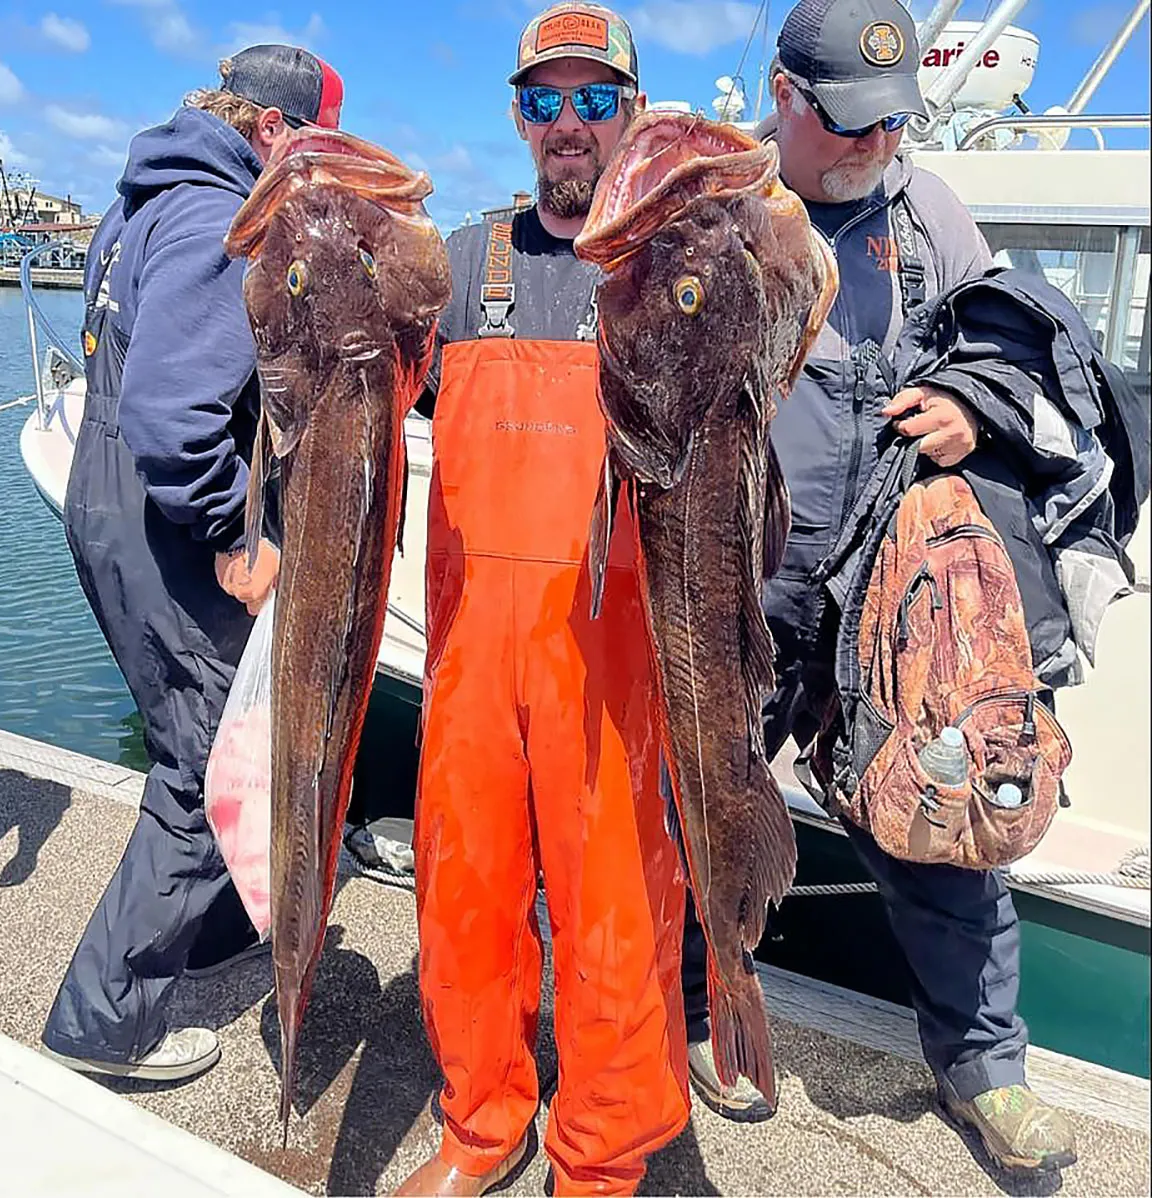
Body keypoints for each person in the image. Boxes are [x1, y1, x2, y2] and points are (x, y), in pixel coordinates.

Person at [680, 0, 1079, 1174]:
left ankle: (985, 1072)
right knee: (704, 805)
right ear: (788, 100)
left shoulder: (930, 213)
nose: (873, 145)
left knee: (944, 832)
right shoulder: (726, 210)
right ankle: (708, 1007)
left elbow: (1007, 343)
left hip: (881, 593)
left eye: (893, 124)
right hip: (739, 583)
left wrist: (972, 404)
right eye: (850, 122)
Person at [396, 6, 691, 1195]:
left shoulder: (675, 263)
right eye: (544, 102)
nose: (568, 126)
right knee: (462, 891)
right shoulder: (462, 266)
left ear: (631, 110)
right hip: (472, 656)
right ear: (519, 119)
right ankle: (482, 1121)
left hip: (613, 667)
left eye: (592, 99)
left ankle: (602, 1153)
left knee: (616, 910)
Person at [39, 45, 344, 1083]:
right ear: (272, 133)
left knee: (187, 734)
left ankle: (208, 934)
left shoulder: (144, 197)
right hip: (170, 524)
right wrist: (237, 533)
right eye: (316, 149)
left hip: (104, 502)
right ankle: (105, 1019)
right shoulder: (227, 217)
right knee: (213, 766)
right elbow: (175, 421)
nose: (323, 175)